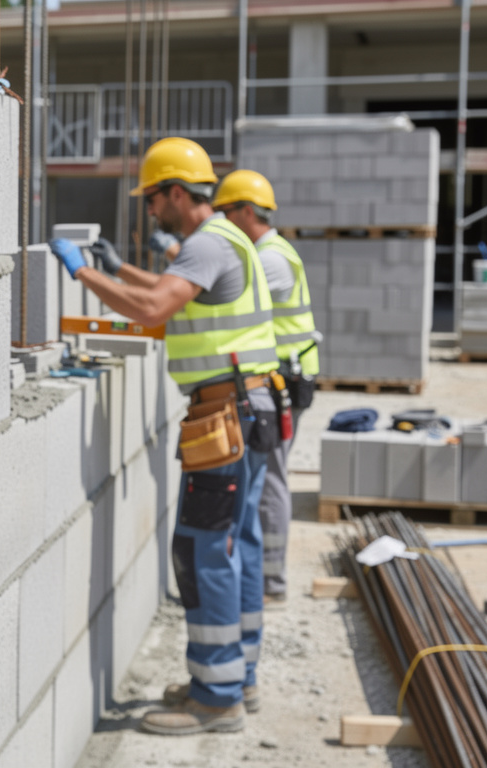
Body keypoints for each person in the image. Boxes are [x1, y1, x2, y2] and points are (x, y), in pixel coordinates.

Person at [48, 137, 278, 735]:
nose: (150, 211)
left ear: (178, 193)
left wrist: (85, 272)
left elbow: (154, 307)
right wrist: (118, 265)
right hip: (243, 410)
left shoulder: (205, 244)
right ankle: (235, 679)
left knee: (203, 552)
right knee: (232, 544)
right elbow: (169, 288)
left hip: (224, 417)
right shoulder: (225, 239)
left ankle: (217, 698)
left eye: (153, 200)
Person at [214, 170, 321, 606]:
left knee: (271, 478)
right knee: (265, 477)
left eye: (225, 214)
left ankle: (271, 582)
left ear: (245, 211)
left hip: (284, 386)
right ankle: (265, 577)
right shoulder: (267, 251)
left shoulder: (270, 259)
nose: (221, 224)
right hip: (281, 381)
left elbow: (229, 296)